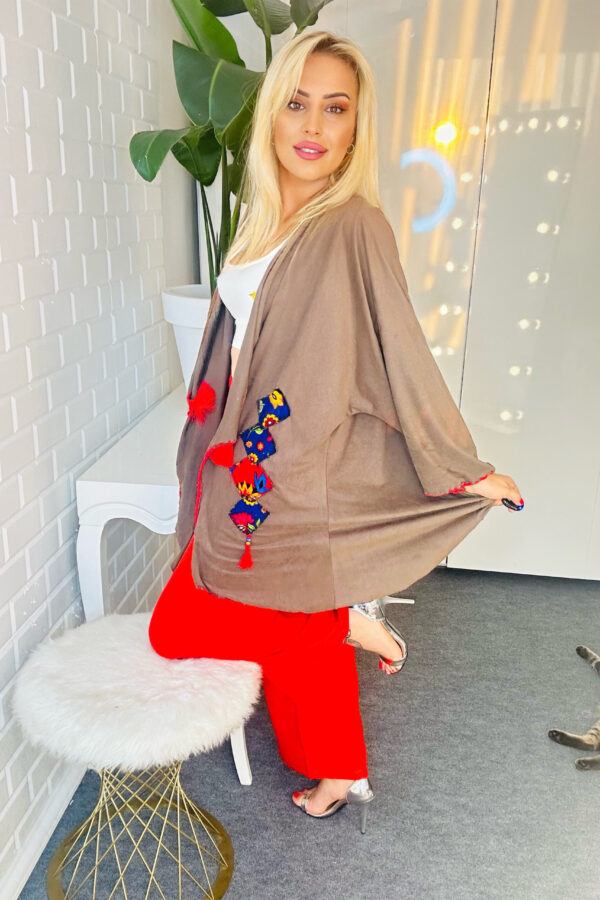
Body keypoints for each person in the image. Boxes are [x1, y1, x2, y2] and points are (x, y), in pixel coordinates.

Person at [149, 30, 523, 831]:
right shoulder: (261, 217)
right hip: (239, 460)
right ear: (273, 115)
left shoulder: (353, 224)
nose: (314, 125)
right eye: (297, 103)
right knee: (204, 622)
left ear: (357, 126)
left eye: (336, 108)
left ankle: (336, 742)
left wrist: (459, 466)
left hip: (291, 469)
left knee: (232, 626)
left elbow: (400, 345)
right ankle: (337, 660)